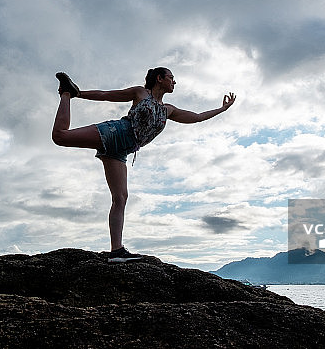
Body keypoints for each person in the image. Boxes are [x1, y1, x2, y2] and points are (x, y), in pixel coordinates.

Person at [51, 68, 236, 262]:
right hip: (116, 132)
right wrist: (76, 94)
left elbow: (197, 117)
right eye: (171, 78)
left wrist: (222, 109)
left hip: (121, 151)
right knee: (60, 136)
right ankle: (65, 94)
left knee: (120, 198)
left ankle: (116, 251)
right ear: (159, 79)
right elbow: (106, 95)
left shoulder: (168, 110)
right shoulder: (141, 93)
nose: (174, 82)